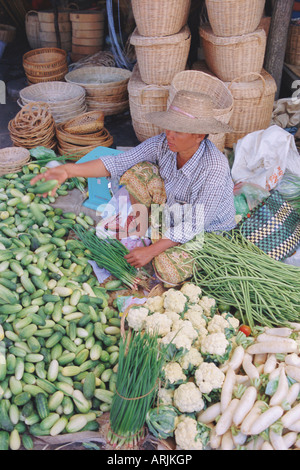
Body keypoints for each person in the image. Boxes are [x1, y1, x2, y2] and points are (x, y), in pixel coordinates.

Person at [31, 90, 236, 286]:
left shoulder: (214, 169)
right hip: (171, 215)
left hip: (205, 233)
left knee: (168, 269)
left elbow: (194, 225)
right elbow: (118, 163)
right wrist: (68, 170)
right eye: (168, 127)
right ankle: (145, 230)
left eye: (178, 131)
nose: (169, 135)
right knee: (138, 171)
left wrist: (152, 251)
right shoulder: (163, 144)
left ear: (199, 135)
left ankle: (159, 245)